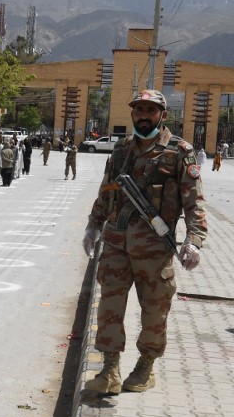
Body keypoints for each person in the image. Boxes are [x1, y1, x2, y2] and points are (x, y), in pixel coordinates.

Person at [82, 89, 206, 395]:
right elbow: (106, 192)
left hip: (154, 249)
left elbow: (195, 202)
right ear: (133, 114)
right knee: (109, 306)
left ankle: (145, 367)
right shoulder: (121, 150)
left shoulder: (179, 152)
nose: (143, 116)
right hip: (116, 244)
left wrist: (194, 240)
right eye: (139, 110)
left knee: (154, 311)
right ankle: (109, 370)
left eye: (150, 110)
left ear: (162, 115)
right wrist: (93, 226)